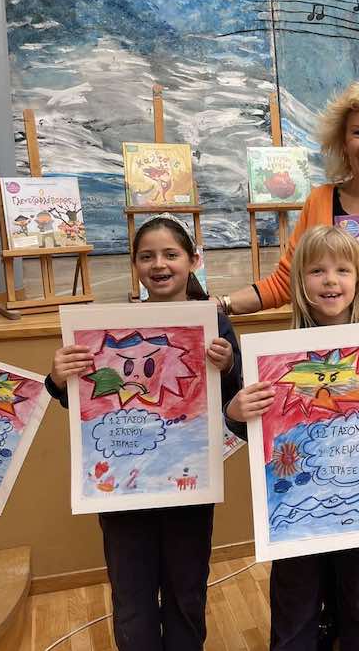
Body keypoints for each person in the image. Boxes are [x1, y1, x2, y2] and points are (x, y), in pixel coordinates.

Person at [45, 213, 243, 650]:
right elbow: (81, 401)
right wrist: (58, 378)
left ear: (193, 260)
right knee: (132, 595)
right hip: (123, 492)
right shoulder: (109, 327)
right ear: (134, 265)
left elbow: (236, 398)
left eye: (171, 254)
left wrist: (228, 364)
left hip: (188, 486)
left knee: (187, 589)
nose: (159, 264)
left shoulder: (214, 324)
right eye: (147, 256)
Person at [225, 225, 359, 651]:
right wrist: (235, 414)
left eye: (342, 270)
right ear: (299, 282)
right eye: (317, 271)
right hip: (297, 512)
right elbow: (261, 433)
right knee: (295, 611)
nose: (330, 280)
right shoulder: (276, 356)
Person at [216, 76, 359, 361]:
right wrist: (222, 304)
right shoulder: (320, 201)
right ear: (343, 142)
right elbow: (286, 281)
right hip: (326, 357)